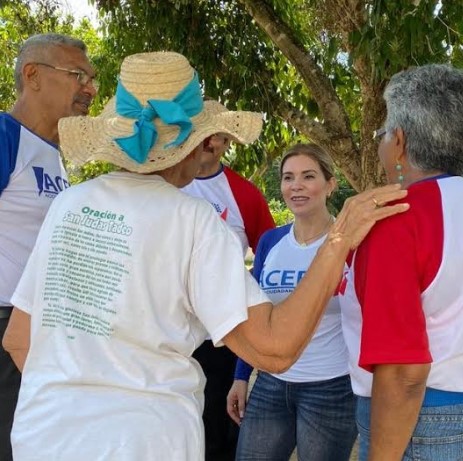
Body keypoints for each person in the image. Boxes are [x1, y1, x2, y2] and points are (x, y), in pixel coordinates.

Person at [1, 51, 409, 461]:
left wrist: (77, 403)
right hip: (145, 443)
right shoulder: (191, 219)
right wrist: (338, 240)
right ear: (188, 144)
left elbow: (18, 338)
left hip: (44, 437)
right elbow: (275, 347)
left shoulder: (68, 204)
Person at [339, 64, 463, 460]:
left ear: (399, 141)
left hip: (422, 424)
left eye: (383, 132)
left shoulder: (397, 219)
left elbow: (403, 374)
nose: (380, 142)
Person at [0, 32, 96, 461]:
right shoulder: (5, 136)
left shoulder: (55, 156)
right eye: (78, 75)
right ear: (32, 75)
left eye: (92, 78)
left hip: (39, 328)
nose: (90, 88)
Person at [228, 143, 357, 461]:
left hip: (332, 387)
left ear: (330, 184)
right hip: (272, 383)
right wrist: (241, 377)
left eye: (308, 176)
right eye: (288, 177)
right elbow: (254, 313)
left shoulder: (353, 244)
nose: (296, 185)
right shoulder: (270, 241)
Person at [180, 102, 275, 461]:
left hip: (219, 338)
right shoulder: (163, 184)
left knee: (219, 437)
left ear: (225, 142)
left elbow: (269, 253)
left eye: (216, 135)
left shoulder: (244, 193)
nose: (208, 141)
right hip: (167, 336)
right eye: (200, 132)